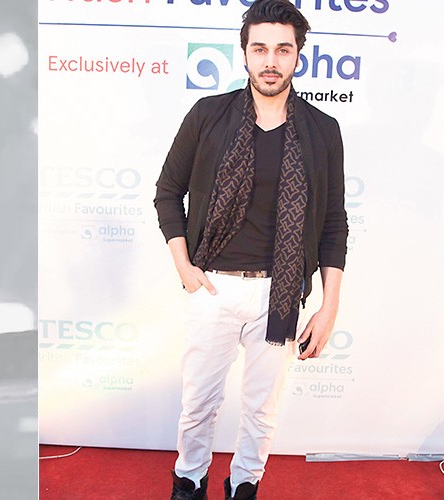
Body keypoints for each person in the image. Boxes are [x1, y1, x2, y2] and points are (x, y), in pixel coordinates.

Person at [154, 1, 348, 498]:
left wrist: (329, 307)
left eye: (283, 50)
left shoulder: (322, 130)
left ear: (298, 55)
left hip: (279, 294)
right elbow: (168, 192)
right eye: (260, 49)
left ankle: (244, 485)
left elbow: (333, 223)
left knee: (262, 408)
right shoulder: (209, 115)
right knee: (198, 404)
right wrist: (184, 266)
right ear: (244, 54)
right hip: (212, 287)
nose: (271, 61)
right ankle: (189, 481)